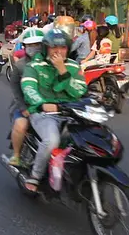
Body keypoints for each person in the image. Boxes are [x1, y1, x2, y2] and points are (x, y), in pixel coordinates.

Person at [20, 28, 87, 193]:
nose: (58, 51)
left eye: (63, 48)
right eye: (53, 48)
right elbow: (28, 89)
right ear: (45, 49)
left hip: (72, 113)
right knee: (52, 141)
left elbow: (79, 91)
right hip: (44, 114)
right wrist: (42, 104)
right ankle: (35, 176)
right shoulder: (34, 66)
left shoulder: (73, 66)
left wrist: (62, 70)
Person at [7, 28, 44, 166]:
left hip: (49, 105)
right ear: (25, 47)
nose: (34, 48)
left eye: (37, 44)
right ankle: (16, 155)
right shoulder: (20, 65)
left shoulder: (50, 63)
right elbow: (15, 88)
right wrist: (23, 108)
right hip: (24, 105)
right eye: (30, 45)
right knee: (21, 125)